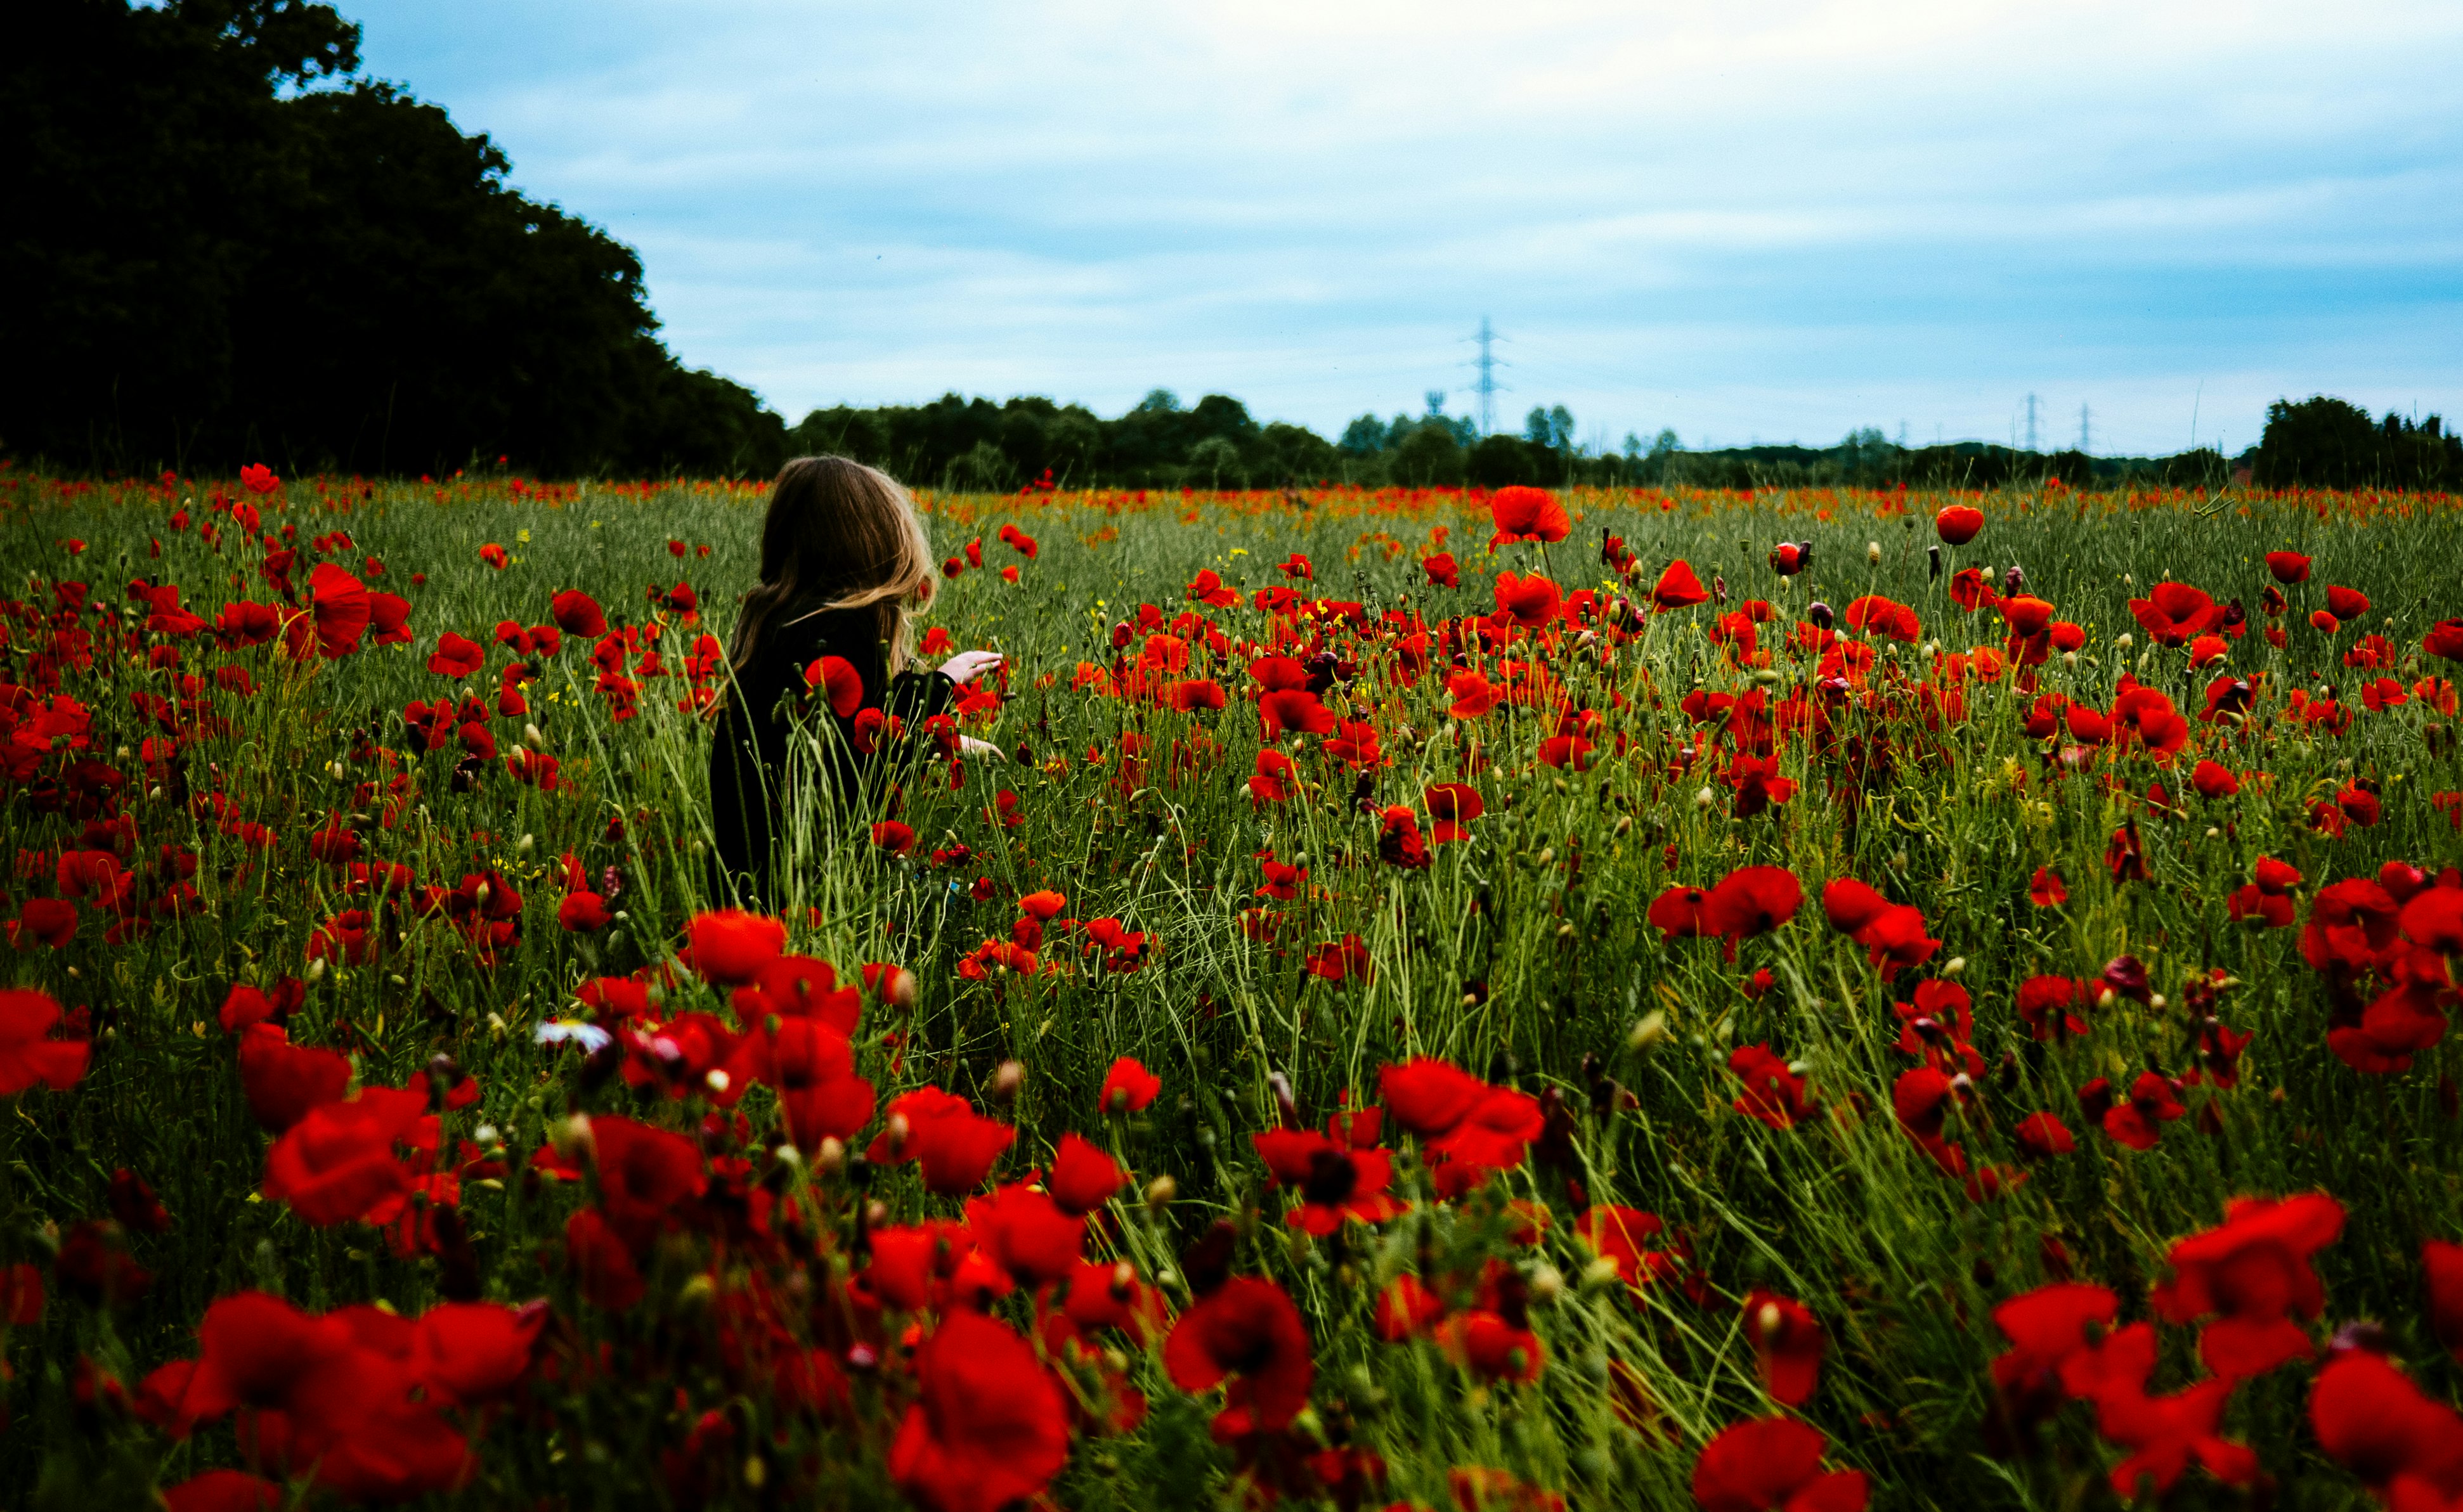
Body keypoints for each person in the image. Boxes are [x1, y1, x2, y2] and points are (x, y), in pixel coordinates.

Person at [707, 455, 1002, 903]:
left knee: (948, 889)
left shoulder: (773, 623)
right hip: (807, 890)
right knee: (966, 898)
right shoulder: (842, 631)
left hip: (743, 888)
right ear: (872, 544)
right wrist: (941, 683)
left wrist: (942, 740)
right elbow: (857, 769)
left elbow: (834, 740)